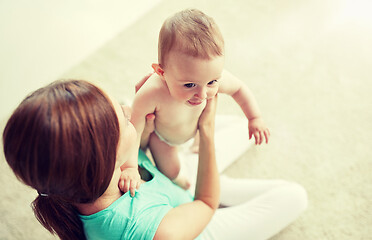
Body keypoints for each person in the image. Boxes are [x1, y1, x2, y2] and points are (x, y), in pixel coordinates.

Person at [3, 80, 307, 240]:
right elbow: (205, 203)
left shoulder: (79, 174)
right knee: (293, 196)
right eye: (123, 117)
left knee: (246, 127)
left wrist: (147, 129)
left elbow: (133, 127)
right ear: (107, 157)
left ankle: (198, 174)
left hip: (168, 184)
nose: (127, 109)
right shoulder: (145, 230)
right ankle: (212, 177)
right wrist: (207, 132)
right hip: (197, 226)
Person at [130, 9, 270, 189]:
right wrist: (130, 167)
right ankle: (181, 179)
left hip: (194, 128)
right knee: (170, 172)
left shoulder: (208, 78)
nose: (202, 95)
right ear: (161, 72)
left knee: (241, 129)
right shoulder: (152, 92)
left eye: (212, 82)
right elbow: (134, 129)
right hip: (164, 138)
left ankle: (197, 144)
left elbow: (239, 89)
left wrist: (255, 118)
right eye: (189, 85)